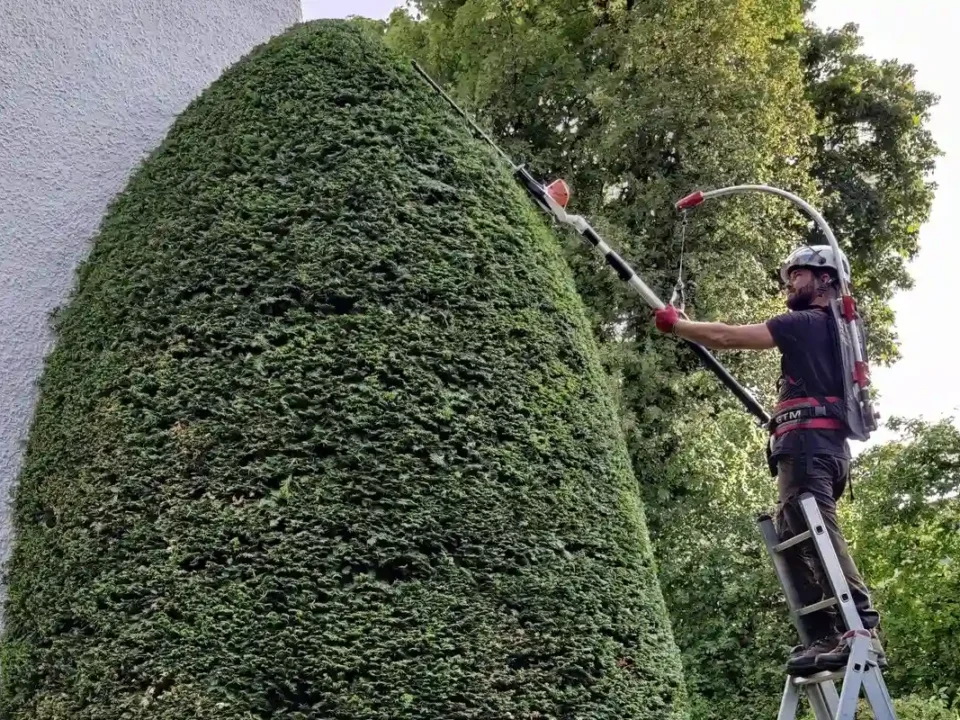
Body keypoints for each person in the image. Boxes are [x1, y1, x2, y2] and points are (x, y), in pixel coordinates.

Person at [652, 245, 885, 676]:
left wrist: (678, 326)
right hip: (824, 450)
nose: (790, 283)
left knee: (817, 532)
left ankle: (861, 627)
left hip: (808, 450)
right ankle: (824, 635)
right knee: (792, 534)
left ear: (826, 280)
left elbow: (727, 336)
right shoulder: (843, 331)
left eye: (799, 274)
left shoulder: (808, 323)